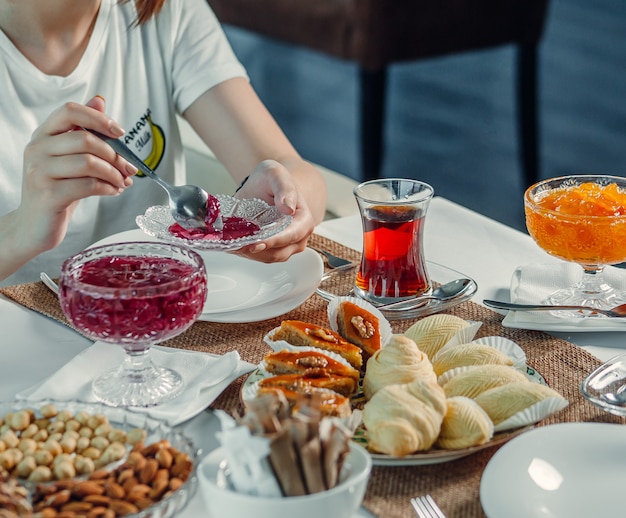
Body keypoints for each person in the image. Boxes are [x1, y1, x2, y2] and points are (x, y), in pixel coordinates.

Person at [0, 0, 327, 286]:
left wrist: (279, 208)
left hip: (164, 325)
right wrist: (21, 231)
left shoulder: (163, 11)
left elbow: (292, 170)